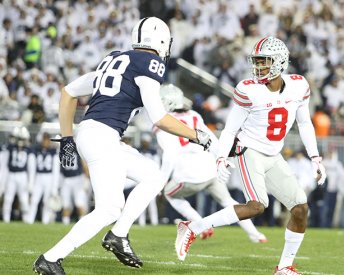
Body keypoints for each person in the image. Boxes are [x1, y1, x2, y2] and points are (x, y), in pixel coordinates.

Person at [33, 17, 211, 275]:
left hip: (96, 134)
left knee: (153, 176)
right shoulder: (150, 64)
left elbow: (68, 92)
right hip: (102, 136)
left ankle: (118, 235)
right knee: (109, 208)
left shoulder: (116, 58)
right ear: (160, 40)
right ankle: (50, 259)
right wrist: (197, 135)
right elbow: (160, 118)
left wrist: (67, 136)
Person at [174, 37, 326, 275]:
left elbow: (305, 123)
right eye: (256, 62)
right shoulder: (249, 89)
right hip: (249, 150)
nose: (259, 67)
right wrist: (222, 157)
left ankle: (284, 267)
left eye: (264, 62)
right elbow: (231, 129)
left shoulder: (298, 85)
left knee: (300, 208)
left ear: (280, 62)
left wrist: (315, 158)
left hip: (274, 154)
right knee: (257, 206)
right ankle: (193, 227)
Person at [157, 84, 267, 242]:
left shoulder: (163, 123)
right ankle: (255, 234)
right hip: (209, 167)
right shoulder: (194, 114)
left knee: (169, 194)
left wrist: (160, 182)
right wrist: (221, 157)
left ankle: (201, 225)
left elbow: (169, 154)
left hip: (189, 172)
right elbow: (210, 138)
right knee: (228, 201)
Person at [1, 126, 35, 223]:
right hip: (11, 175)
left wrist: (30, 183)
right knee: (8, 198)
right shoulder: (10, 148)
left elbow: (31, 169)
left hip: (22, 175)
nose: (20, 141)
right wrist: (2, 181)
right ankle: (6, 219)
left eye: (22, 139)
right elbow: (4, 166)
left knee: (24, 199)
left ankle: (26, 219)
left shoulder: (28, 150)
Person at [26, 132, 60, 224]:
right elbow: (32, 168)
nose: (45, 142)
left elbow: (56, 170)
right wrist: (31, 182)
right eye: (44, 139)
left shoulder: (53, 152)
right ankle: (30, 219)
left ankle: (45, 220)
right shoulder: (36, 150)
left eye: (47, 139)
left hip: (49, 177)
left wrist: (54, 186)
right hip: (39, 177)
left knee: (46, 201)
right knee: (34, 199)